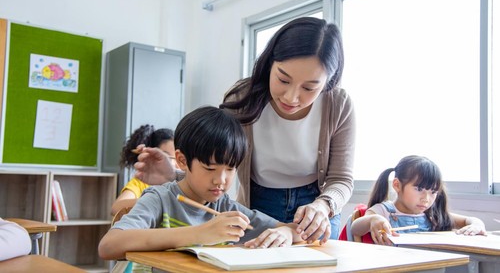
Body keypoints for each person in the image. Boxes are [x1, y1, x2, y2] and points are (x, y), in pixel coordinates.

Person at [134, 17, 355, 244]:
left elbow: (341, 178)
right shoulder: (241, 99)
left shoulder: (337, 105)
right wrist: (174, 175)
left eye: (309, 87)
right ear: (270, 63)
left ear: (329, 81)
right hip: (258, 203)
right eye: (283, 79)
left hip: (315, 211)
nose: (291, 97)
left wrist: (322, 205)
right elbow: (217, 161)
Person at [99, 106, 304, 260]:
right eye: (210, 168)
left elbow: (295, 232)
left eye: (230, 169)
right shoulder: (159, 199)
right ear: (182, 161)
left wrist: (285, 231)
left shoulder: (226, 208)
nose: (221, 180)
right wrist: (199, 234)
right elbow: (108, 246)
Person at [350, 155, 486, 245]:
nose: (426, 199)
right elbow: (355, 228)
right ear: (397, 185)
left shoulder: (433, 215)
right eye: (419, 189)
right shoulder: (383, 211)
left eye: (433, 192)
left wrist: (477, 225)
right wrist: (373, 220)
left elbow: (470, 220)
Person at [111, 125, 178, 216]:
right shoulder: (141, 183)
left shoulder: (183, 181)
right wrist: (156, 200)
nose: (174, 163)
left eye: (178, 157)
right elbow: (116, 208)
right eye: (167, 157)